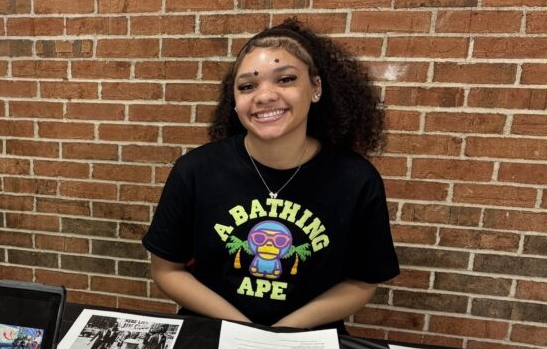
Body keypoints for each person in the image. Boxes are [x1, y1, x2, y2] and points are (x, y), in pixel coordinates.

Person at [143, 18, 398, 330]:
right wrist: (246, 331)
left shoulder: (357, 179)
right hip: (211, 335)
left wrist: (282, 333)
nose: (264, 96)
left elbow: (361, 282)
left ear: (316, 87)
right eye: (248, 86)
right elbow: (167, 270)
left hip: (306, 340)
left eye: (285, 79)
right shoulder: (195, 170)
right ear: (234, 101)